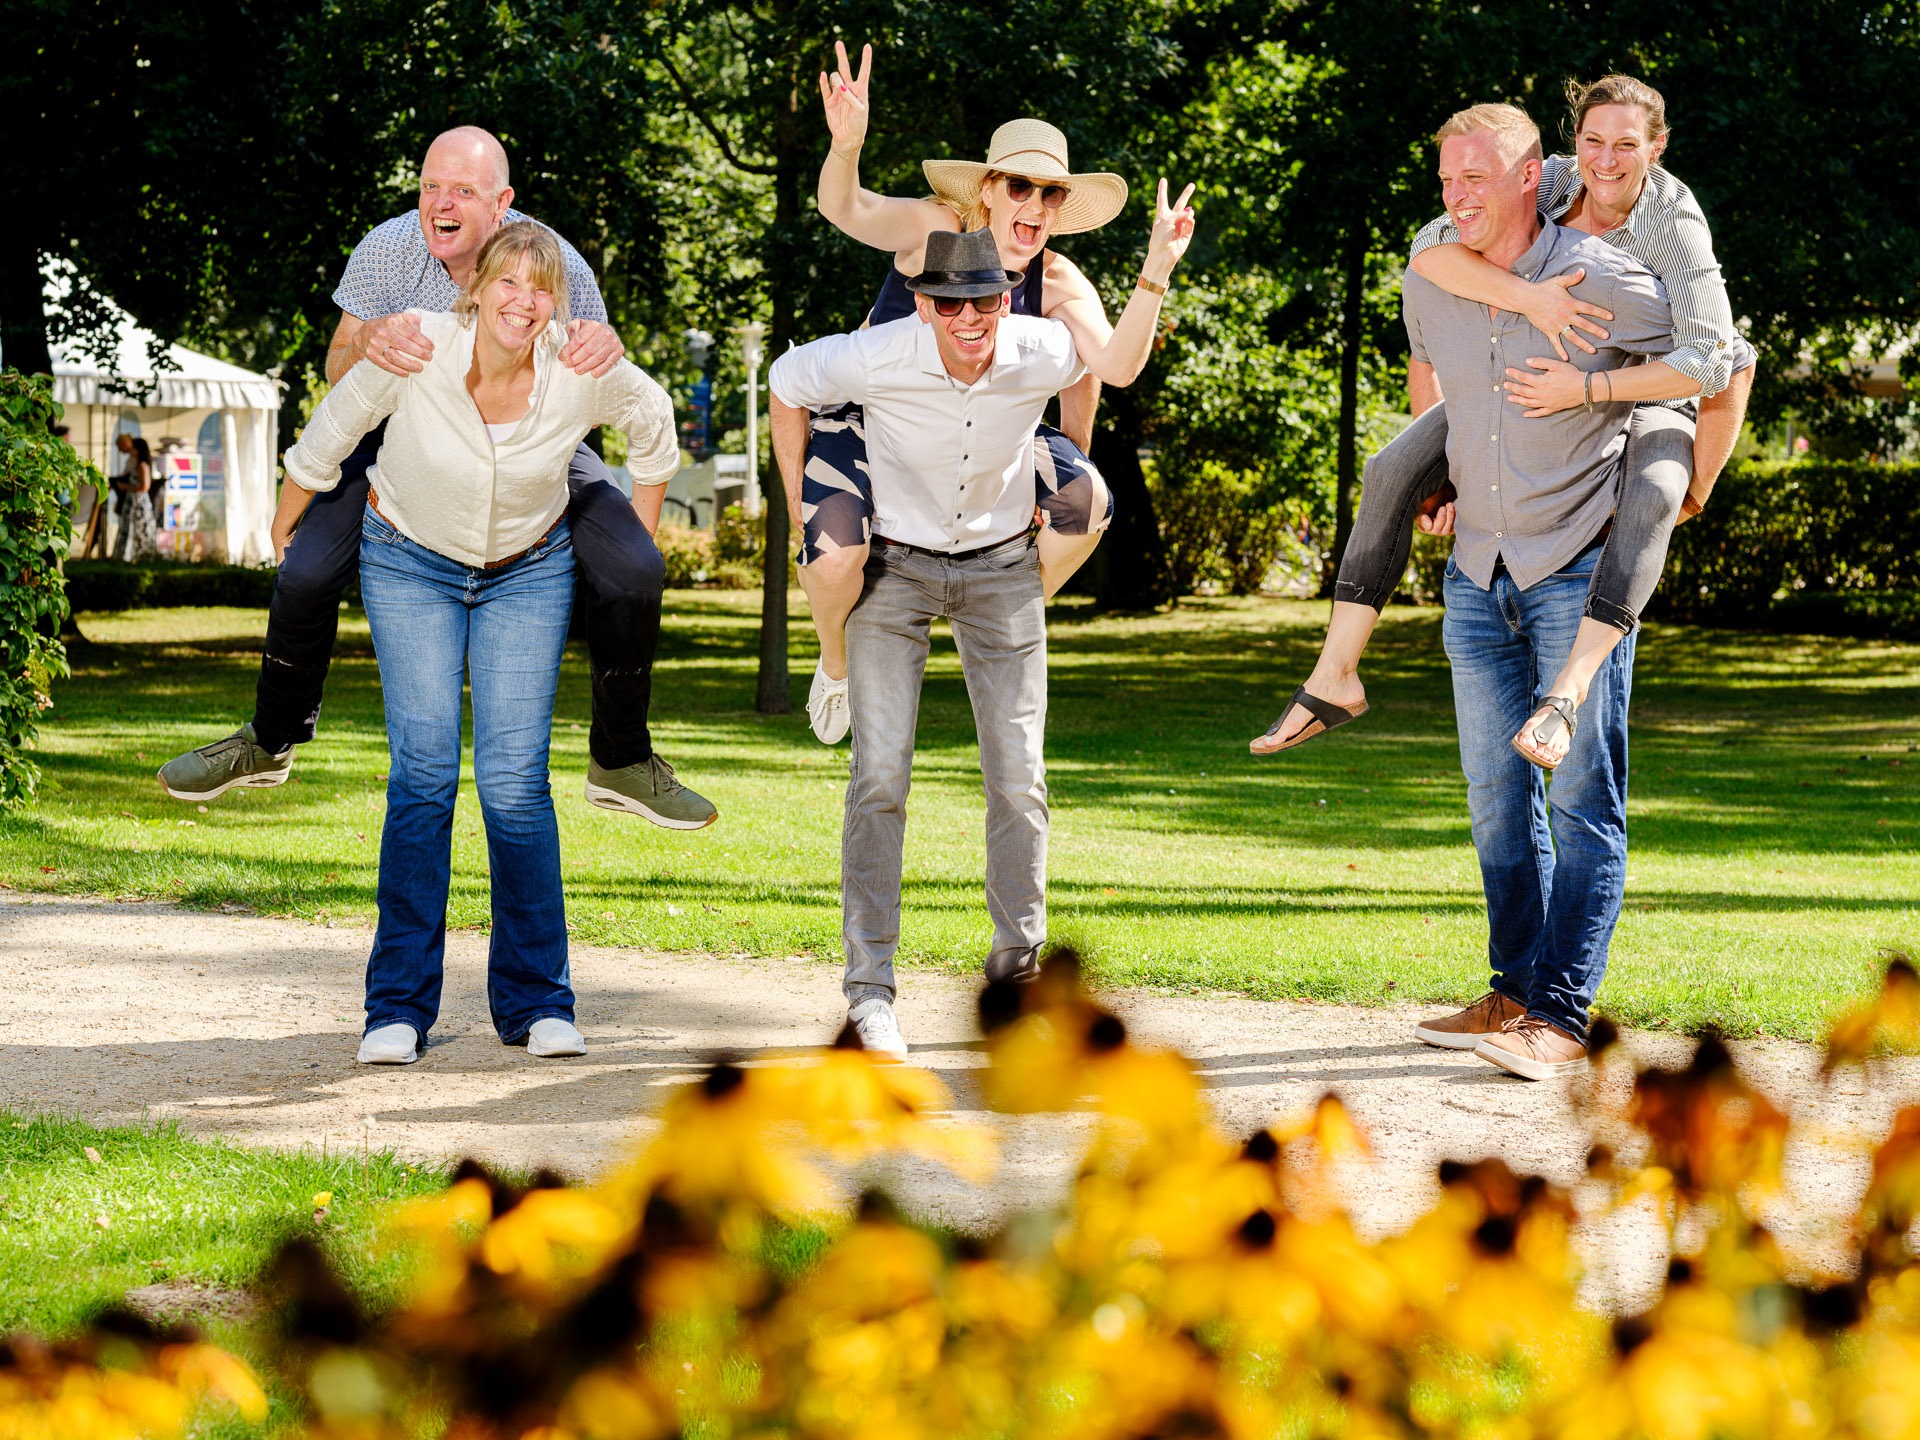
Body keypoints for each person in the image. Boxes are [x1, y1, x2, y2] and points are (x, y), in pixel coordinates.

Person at [157, 127, 714, 829]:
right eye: (430, 187)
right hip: (397, 432)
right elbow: (337, 373)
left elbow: (595, 381)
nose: (440, 203)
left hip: (529, 443)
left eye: (462, 191)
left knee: (635, 566)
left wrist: (608, 343)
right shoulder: (390, 248)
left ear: (502, 203)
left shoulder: (553, 262)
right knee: (302, 573)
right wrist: (367, 341)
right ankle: (269, 741)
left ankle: (623, 760)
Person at [770, 218, 1194, 1059]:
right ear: (923, 306)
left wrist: (1153, 273)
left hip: (1002, 570)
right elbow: (786, 382)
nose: (969, 320)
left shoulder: (1038, 345)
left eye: (985, 303)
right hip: (894, 570)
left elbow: (1113, 364)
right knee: (881, 777)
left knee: (1019, 777)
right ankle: (869, 997)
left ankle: (1019, 985)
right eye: (948, 304)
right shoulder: (878, 353)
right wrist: (798, 506)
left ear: (1006, 301)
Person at [1253, 75, 1757, 770]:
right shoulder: (1546, 181)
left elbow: (1722, 359)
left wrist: (1683, 470)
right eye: (1591, 141)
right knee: (1390, 469)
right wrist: (1529, 305)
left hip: (1651, 387)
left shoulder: (1673, 223)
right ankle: (1334, 676)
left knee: (1654, 497)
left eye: (1627, 145)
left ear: (1658, 147)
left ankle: (1569, 691)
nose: (1605, 162)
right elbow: (1430, 247)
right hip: (1538, 384)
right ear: (1568, 143)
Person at [278, 223, 681, 1066]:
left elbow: (653, 419)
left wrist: (639, 536)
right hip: (408, 561)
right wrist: (285, 531)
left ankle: (539, 1002)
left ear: (557, 303)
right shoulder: (421, 344)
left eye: (543, 290)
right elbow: (333, 428)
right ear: (476, 288)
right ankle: (395, 1010)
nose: (524, 302)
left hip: (526, 572)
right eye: (510, 284)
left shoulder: (577, 360)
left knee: (513, 787)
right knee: (422, 775)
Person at [781, 41, 1187, 745]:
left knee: (1088, 506)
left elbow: (1110, 368)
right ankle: (836, 661)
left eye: (1049, 193)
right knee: (836, 557)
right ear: (989, 192)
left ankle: (995, 616)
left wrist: (1156, 271)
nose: (1033, 202)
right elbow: (843, 207)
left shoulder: (1056, 281)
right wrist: (846, 146)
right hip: (874, 420)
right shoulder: (937, 230)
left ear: (1059, 208)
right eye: (1019, 187)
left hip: (983, 436)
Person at [1387, 105, 1675, 1078]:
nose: (1457, 195)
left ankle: (1560, 1014)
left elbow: (1724, 365)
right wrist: (1443, 470)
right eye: (1446, 177)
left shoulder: (1606, 275)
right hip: (1477, 572)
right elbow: (1429, 367)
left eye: (1478, 177)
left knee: (1584, 797)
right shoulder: (1432, 263)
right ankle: (1514, 985)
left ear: (1531, 178)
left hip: (1576, 570)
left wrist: (1688, 488)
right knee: (1495, 797)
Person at [110, 434, 158, 563]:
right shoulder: (136, 465)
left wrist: (126, 487)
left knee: (138, 529)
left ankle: (139, 556)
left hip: (139, 504)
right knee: (131, 528)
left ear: (137, 450)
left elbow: (144, 487)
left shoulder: (142, 466)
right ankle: (129, 556)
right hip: (132, 502)